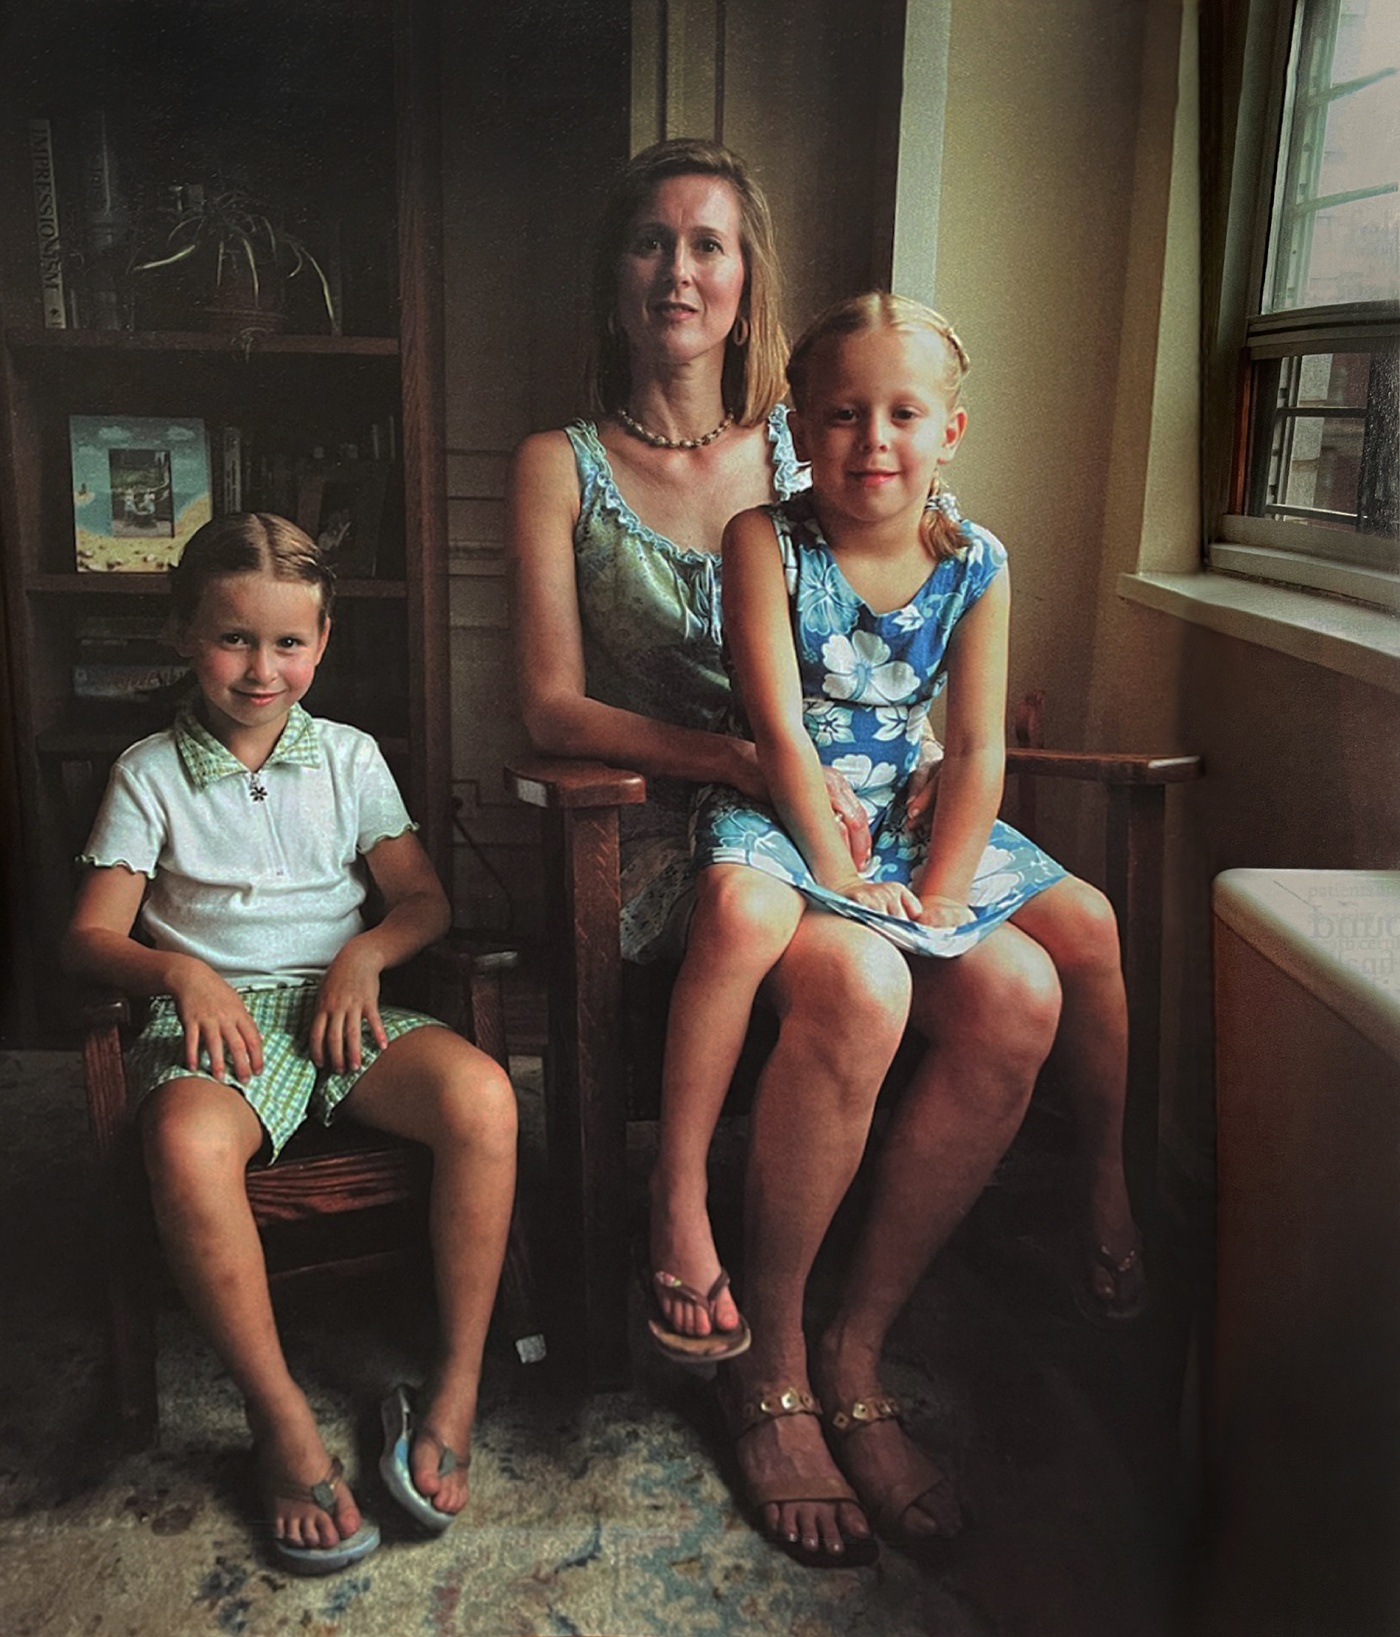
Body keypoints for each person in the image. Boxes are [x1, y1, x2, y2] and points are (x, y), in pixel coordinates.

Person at [510, 137, 1093, 1567]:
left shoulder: (817, 439)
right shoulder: (558, 463)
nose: (680, 270)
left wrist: (948, 754)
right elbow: (543, 703)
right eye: (652, 241)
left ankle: (856, 1342)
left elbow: (933, 603)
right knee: (861, 987)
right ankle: (765, 1371)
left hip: (853, 827)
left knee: (1022, 993)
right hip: (658, 834)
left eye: (710, 243)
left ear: (747, 275)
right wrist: (739, 764)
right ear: (616, 271)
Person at [655, 288, 1145, 1375]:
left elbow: (971, 748)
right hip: (797, 801)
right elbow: (776, 726)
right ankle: (677, 1186)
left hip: (908, 805)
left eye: (902, 414)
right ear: (796, 427)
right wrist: (840, 875)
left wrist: (944, 890)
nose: (872, 440)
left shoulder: (975, 560)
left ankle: (1105, 1168)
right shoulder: (762, 541)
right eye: (839, 414)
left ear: (948, 430)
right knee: (738, 908)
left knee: (1088, 929)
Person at [62, 514, 517, 1574]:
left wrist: (365, 954)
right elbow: (88, 932)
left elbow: (422, 902)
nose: (261, 668)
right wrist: (179, 970)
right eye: (232, 639)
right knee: (180, 1140)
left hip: (344, 1005)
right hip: (217, 1020)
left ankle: (452, 1384)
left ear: (320, 644)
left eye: (287, 643)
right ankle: (280, 1419)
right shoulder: (150, 772)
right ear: (184, 635)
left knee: (485, 1098)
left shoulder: (348, 758)